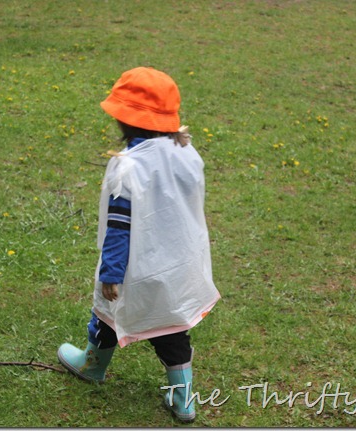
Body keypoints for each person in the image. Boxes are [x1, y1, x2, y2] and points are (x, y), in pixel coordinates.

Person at [58, 67, 220, 422]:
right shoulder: (188, 152)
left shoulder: (128, 167)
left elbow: (119, 227)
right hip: (179, 267)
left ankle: (92, 366)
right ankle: (183, 400)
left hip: (138, 268)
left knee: (107, 316)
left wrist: (111, 273)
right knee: (173, 331)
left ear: (123, 120)